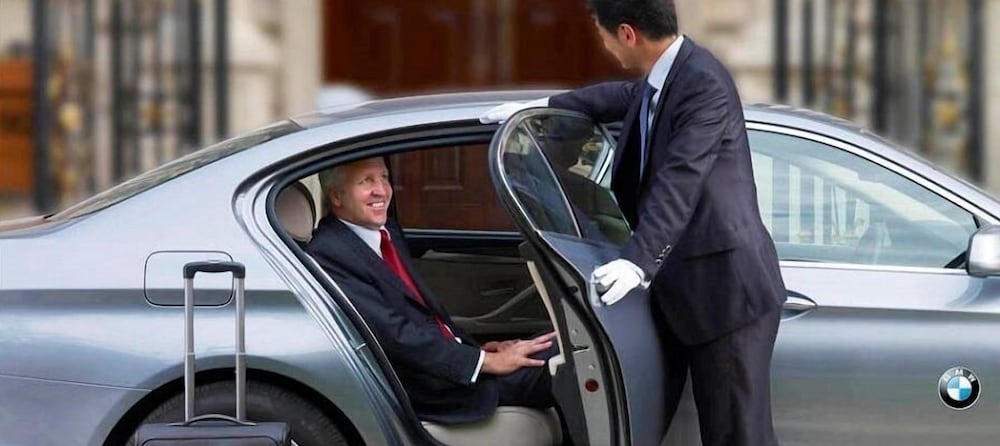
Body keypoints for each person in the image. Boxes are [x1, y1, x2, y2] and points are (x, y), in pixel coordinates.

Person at [481, 1, 786, 445]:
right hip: (688, 293)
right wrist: (543, 105)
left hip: (725, 295)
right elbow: (622, 98)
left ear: (627, 33)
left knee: (736, 436)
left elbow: (681, 180)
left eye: (603, 36)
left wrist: (637, 261)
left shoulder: (702, 84)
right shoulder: (668, 76)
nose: (604, 46)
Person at [306, 157, 557, 424]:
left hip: (449, 367)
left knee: (561, 343)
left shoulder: (383, 232)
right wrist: (484, 362)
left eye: (384, 177)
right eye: (367, 181)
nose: (382, 190)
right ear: (336, 196)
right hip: (435, 388)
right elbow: (395, 335)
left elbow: (424, 317)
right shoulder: (330, 254)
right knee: (572, 363)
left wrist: (477, 349)